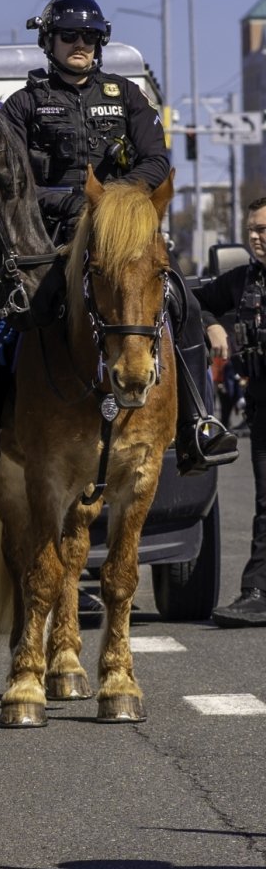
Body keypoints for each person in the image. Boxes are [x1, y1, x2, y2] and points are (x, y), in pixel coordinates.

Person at [0, 0, 237, 475]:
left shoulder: (125, 95)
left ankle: (198, 424)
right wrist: (75, 202)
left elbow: (156, 160)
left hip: (121, 230)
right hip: (50, 233)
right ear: (50, 42)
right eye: (69, 36)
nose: (80, 44)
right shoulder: (23, 105)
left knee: (182, 302)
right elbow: (14, 182)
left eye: (90, 36)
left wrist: (115, 202)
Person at [193, 197, 266, 626]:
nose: (257, 237)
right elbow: (189, 298)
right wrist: (212, 323)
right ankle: (256, 593)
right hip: (262, 406)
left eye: (264, 229)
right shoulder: (240, 282)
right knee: (265, 504)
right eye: (253, 230)